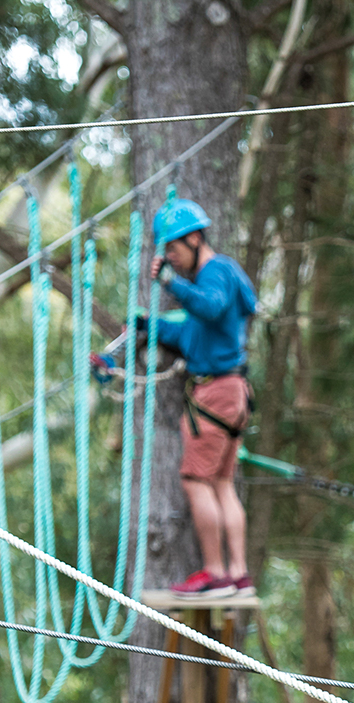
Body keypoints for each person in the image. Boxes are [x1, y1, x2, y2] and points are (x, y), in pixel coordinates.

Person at [144, 196, 257, 599]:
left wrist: (171, 285)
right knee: (223, 482)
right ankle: (238, 574)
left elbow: (209, 308)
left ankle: (217, 573)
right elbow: (195, 330)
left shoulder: (216, 272)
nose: (170, 258)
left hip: (217, 393)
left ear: (194, 238)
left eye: (172, 248)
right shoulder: (219, 276)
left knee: (196, 480)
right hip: (233, 392)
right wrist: (146, 325)